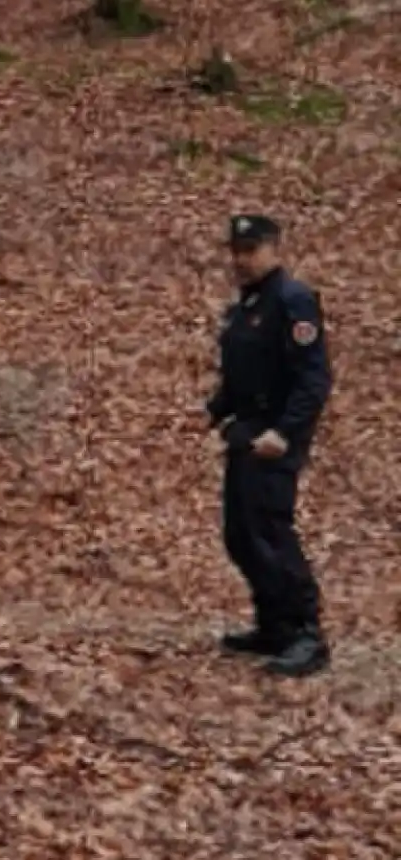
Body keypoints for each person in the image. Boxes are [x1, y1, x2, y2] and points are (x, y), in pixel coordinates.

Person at [205, 214, 332, 678]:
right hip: (246, 432)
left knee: (271, 533)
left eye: (251, 249)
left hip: (276, 437)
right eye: (237, 250)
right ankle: (273, 625)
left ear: (274, 248)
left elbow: (313, 380)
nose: (242, 258)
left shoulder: (292, 301)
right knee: (240, 534)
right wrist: (215, 409)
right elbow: (243, 369)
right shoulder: (248, 304)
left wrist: (285, 432)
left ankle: (306, 633)